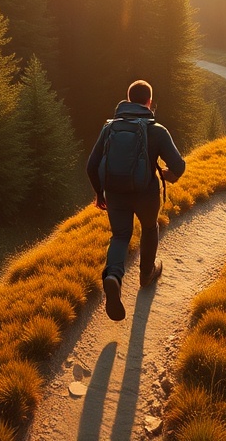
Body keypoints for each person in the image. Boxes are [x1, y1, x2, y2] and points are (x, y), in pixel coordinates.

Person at [86, 79, 186, 321]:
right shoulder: (157, 130)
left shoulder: (109, 128)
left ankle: (113, 277)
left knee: (120, 236)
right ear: (149, 102)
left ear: (128, 100)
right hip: (146, 194)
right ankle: (146, 274)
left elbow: (91, 165)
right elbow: (179, 166)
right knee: (150, 228)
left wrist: (100, 194)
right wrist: (166, 175)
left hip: (115, 193)